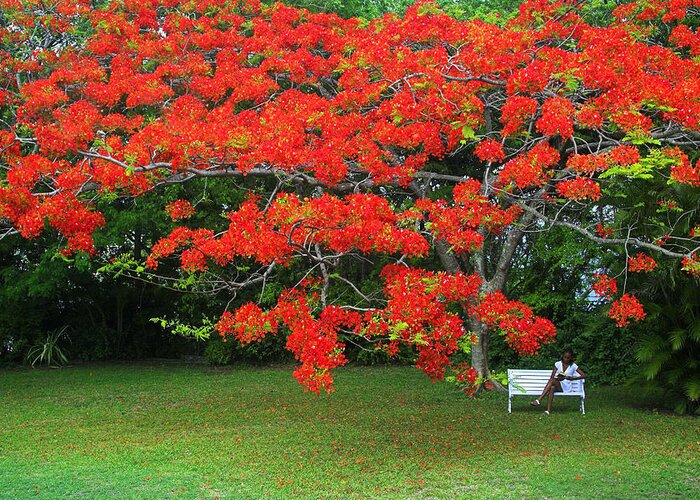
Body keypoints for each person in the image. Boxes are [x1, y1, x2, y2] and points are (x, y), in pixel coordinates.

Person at [530, 348, 585, 415]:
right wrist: (559, 378)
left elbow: (583, 375)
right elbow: (552, 377)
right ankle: (548, 411)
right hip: (558, 384)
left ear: (571, 358)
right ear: (562, 356)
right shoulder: (558, 364)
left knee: (553, 382)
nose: (566, 359)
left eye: (568, 358)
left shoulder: (573, 366)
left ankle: (539, 399)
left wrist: (573, 378)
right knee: (552, 387)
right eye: (565, 357)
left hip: (566, 387)